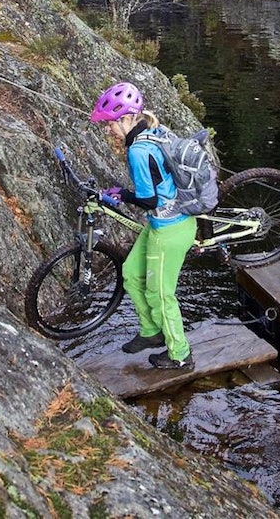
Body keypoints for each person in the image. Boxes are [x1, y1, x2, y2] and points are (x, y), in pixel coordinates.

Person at [89, 81, 197, 371]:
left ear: (125, 119)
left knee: (160, 293)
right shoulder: (151, 131)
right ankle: (152, 332)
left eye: (110, 124)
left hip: (171, 228)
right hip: (165, 221)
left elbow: (148, 200)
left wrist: (121, 195)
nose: (108, 130)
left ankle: (180, 354)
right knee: (131, 273)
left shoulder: (137, 151)